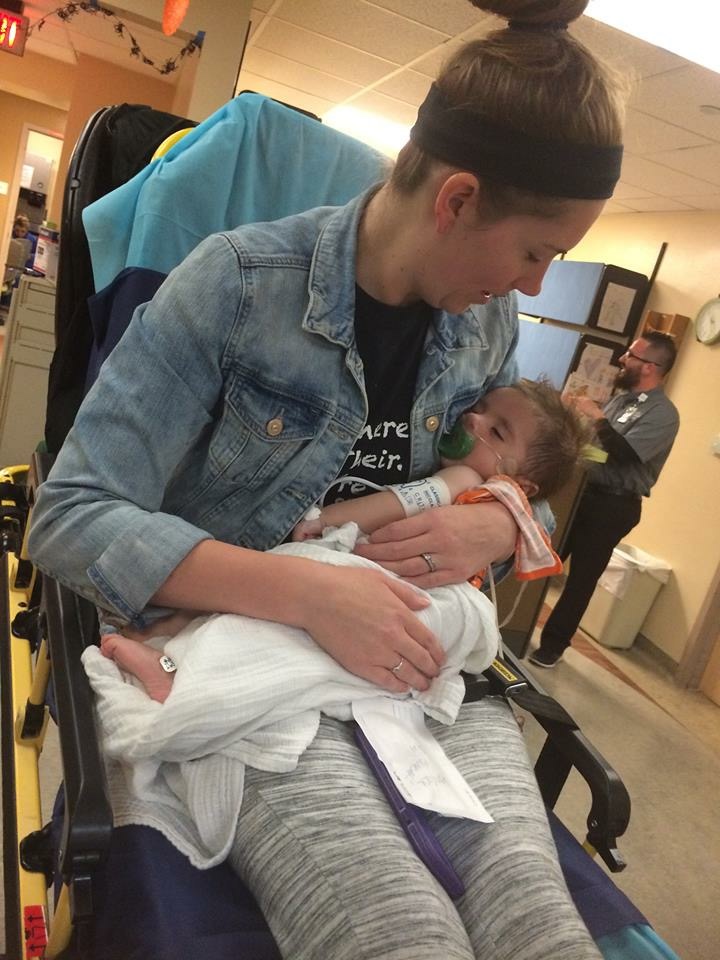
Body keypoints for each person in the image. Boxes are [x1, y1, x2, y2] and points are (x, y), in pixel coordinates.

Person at [28, 0, 626, 956]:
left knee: (542, 922)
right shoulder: (233, 288)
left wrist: (505, 519)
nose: (531, 285)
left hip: (417, 664)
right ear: (457, 199)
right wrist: (302, 592)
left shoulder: (484, 328)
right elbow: (69, 514)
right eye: (535, 251)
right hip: (255, 660)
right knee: (399, 932)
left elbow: (513, 473)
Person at [99, 380, 588, 703]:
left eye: (495, 431)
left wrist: (324, 519)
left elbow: (395, 504)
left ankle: (175, 659)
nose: (472, 420)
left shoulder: (467, 481)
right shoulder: (503, 499)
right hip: (381, 584)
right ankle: (178, 662)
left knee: (272, 618)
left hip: (383, 581)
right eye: (479, 409)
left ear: (521, 484)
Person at [529, 331, 679, 669]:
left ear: (650, 367)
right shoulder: (622, 400)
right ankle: (518, 625)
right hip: (582, 493)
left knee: (581, 578)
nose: (623, 359)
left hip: (613, 505)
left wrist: (596, 416)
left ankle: (553, 646)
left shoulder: (663, 414)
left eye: (631, 355)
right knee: (544, 558)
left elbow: (625, 454)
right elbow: (602, 453)